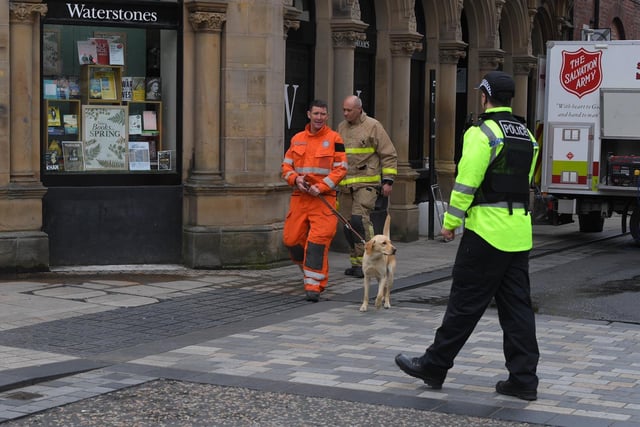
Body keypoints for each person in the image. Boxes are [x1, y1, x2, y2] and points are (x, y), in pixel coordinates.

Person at [394, 71, 541, 401]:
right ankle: (523, 379)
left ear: (485, 96)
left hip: (486, 233)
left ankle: (434, 364)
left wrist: (450, 222)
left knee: (464, 303)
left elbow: (466, 182)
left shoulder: (482, 133)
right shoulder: (526, 136)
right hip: (519, 232)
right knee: (517, 309)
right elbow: (524, 181)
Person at [281, 99, 348, 302]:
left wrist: (322, 186)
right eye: (316, 114)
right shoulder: (297, 139)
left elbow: (341, 168)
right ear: (309, 114)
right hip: (300, 198)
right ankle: (311, 271)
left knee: (317, 243)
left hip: (322, 199)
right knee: (291, 240)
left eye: (323, 114)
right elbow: (286, 168)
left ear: (327, 117)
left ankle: (314, 285)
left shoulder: (334, 138)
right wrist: (296, 179)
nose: (319, 117)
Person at [337, 95, 398, 278]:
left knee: (359, 221)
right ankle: (357, 263)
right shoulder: (341, 127)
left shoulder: (373, 126)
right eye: (344, 110)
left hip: (367, 183)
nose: (345, 113)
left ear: (359, 109)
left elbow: (388, 154)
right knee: (348, 226)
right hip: (346, 185)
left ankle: (372, 260)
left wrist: (388, 180)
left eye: (349, 110)